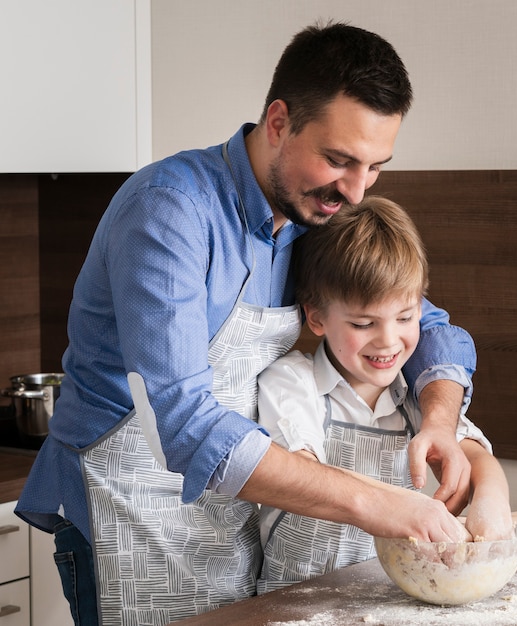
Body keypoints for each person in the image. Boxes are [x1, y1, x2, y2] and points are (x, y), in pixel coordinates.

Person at [17, 21, 477, 626]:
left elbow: (429, 322)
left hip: (229, 516)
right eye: (339, 160)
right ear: (279, 122)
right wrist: (376, 503)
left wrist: (441, 420)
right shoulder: (169, 211)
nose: (356, 191)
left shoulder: (312, 208)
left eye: (375, 168)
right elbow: (182, 423)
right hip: (128, 517)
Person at [256, 196, 512, 593]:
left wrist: (491, 502)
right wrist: (402, 506)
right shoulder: (291, 381)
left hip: (386, 595)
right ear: (317, 316)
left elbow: (477, 459)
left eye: (406, 317)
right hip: (291, 600)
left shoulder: (418, 397)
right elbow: (298, 470)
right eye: (363, 322)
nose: (389, 340)